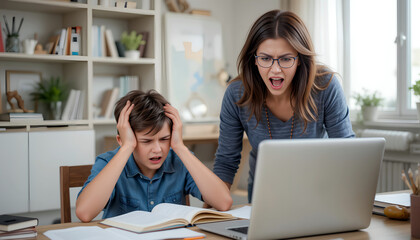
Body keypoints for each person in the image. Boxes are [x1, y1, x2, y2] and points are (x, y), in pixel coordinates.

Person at [212, 10, 355, 203]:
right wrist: (209, 212)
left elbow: (348, 154)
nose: (275, 69)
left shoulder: (325, 86)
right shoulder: (237, 94)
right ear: (254, 59)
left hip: (319, 194)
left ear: (300, 60)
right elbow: (226, 163)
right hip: (265, 196)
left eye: (286, 59)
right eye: (265, 58)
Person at [76, 90, 232, 222]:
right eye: (146, 141)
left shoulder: (179, 160)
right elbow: (84, 213)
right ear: (122, 139)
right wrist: (126, 148)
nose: (157, 149)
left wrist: (179, 147)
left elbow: (223, 202)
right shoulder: (108, 162)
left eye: (164, 139)